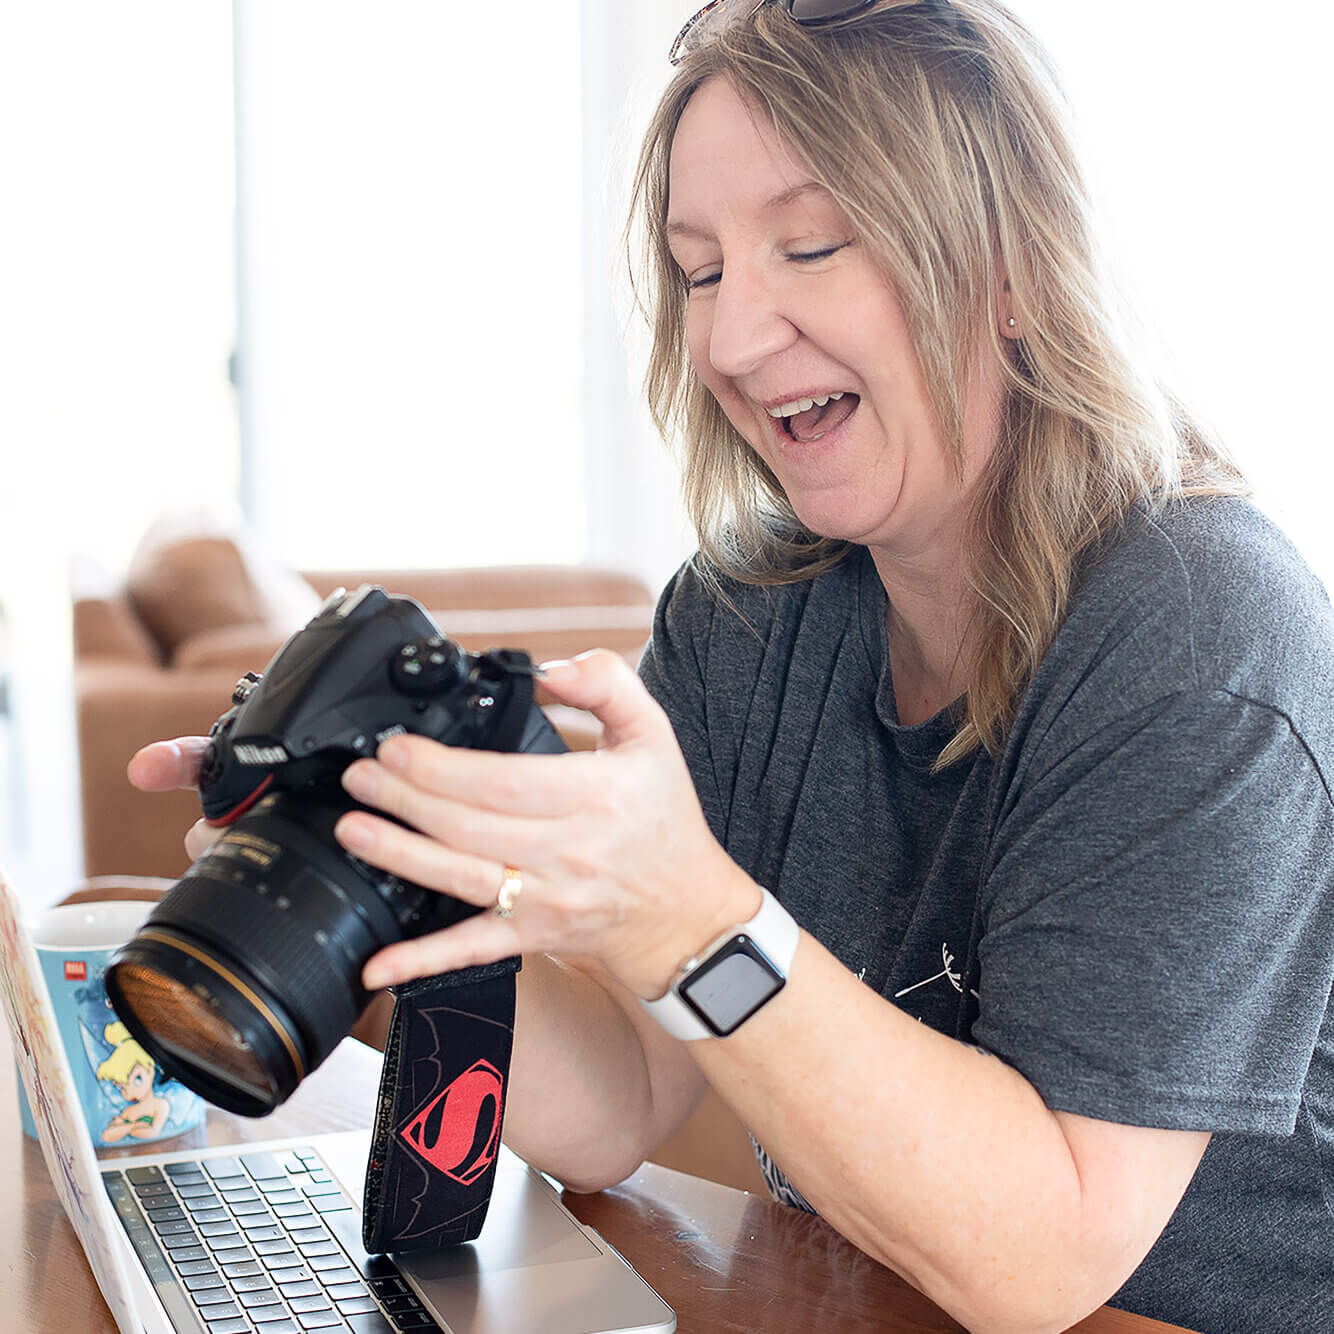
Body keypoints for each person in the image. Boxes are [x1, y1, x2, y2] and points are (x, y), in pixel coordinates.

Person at [129, 2, 1334, 1329]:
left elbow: (1038, 1259)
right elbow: (623, 1102)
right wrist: (375, 881)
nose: (731, 340)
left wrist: (687, 913)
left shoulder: (1197, 630)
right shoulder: (749, 612)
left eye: (808, 245)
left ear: (1005, 264)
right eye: (698, 271)